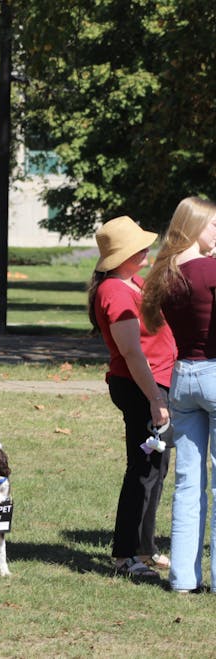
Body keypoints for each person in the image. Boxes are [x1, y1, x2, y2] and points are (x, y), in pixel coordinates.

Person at [88, 216, 175, 578]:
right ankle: (125, 555)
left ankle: (143, 546)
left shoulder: (133, 282)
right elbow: (132, 353)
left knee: (155, 469)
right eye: (139, 246)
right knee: (142, 470)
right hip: (142, 386)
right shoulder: (115, 291)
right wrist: (155, 399)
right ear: (122, 253)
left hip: (154, 384)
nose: (146, 249)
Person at [141, 196, 216, 593]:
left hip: (183, 376)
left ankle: (183, 579)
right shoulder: (210, 269)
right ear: (196, 226)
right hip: (214, 371)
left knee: (188, 482)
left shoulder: (165, 274)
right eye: (214, 225)